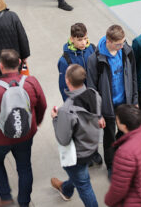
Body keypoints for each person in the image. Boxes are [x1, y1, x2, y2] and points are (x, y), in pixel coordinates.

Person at [0, 49, 47, 207]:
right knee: (24, 167)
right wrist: (37, 121)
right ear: (19, 63)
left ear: (0, 66)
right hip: (25, 134)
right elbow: (43, 104)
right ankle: (24, 203)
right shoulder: (31, 82)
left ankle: (5, 197)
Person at [86, 25, 138, 176]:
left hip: (125, 103)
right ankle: (111, 165)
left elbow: (132, 75)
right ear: (108, 41)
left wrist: (134, 99)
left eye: (123, 42)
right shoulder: (95, 60)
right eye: (118, 44)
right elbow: (92, 89)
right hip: (107, 107)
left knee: (124, 133)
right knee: (109, 138)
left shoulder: (126, 51)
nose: (122, 46)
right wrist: (98, 114)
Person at [50, 64, 102, 207]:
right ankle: (66, 190)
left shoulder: (67, 109)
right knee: (80, 176)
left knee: (84, 185)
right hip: (91, 146)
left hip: (77, 155)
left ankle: (68, 190)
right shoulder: (94, 94)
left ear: (67, 81)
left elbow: (63, 139)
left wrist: (55, 118)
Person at [104, 105, 141, 207]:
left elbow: (119, 189)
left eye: (117, 120)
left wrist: (108, 201)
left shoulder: (125, 152)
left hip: (136, 202)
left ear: (123, 126)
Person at [57, 23, 96, 101]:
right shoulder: (65, 61)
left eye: (85, 38)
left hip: (93, 96)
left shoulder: (92, 48)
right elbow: (64, 88)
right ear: (72, 39)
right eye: (79, 40)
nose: (84, 43)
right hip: (79, 100)